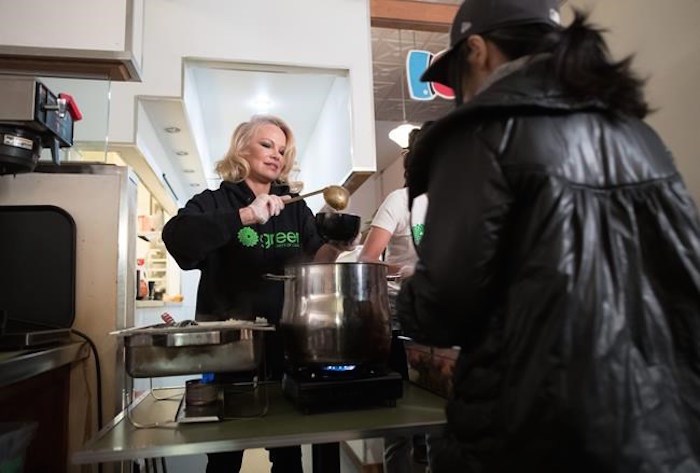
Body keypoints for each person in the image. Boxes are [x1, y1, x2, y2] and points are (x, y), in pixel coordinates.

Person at [397, 0, 700, 472]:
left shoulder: (483, 133)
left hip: (533, 431)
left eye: (458, 79)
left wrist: (411, 293)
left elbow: (443, 309)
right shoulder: (638, 136)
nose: (461, 96)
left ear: (476, 50)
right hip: (660, 429)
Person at [162, 114, 349, 473]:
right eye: (267, 145)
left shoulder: (295, 207)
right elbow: (177, 238)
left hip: (287, 342)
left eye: (282, 150)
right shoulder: (214, 202)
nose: (276, 155)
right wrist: (245, 215)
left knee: (288, 451)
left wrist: (336, 247)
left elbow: (314, 264)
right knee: (225, 454)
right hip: (230, 348)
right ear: (241, 147)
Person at [359, 125, 430, 473]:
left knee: (441, 416)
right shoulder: (399, 202)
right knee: (400, 417)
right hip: (400, 318)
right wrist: (404, 269)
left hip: (441, 317)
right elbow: (367, 259)